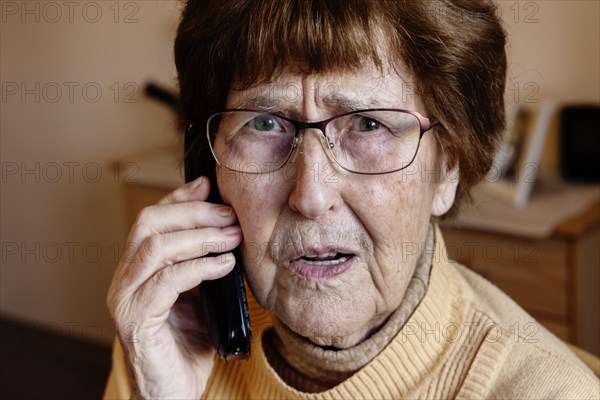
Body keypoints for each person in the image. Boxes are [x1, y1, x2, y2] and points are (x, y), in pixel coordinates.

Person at [104, 0, 600, 398]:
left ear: (447, 168)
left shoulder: (545, 392)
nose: (312, 196)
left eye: (368, 124)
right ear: (207, 165)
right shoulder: (169, 330)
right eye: (264, 123)